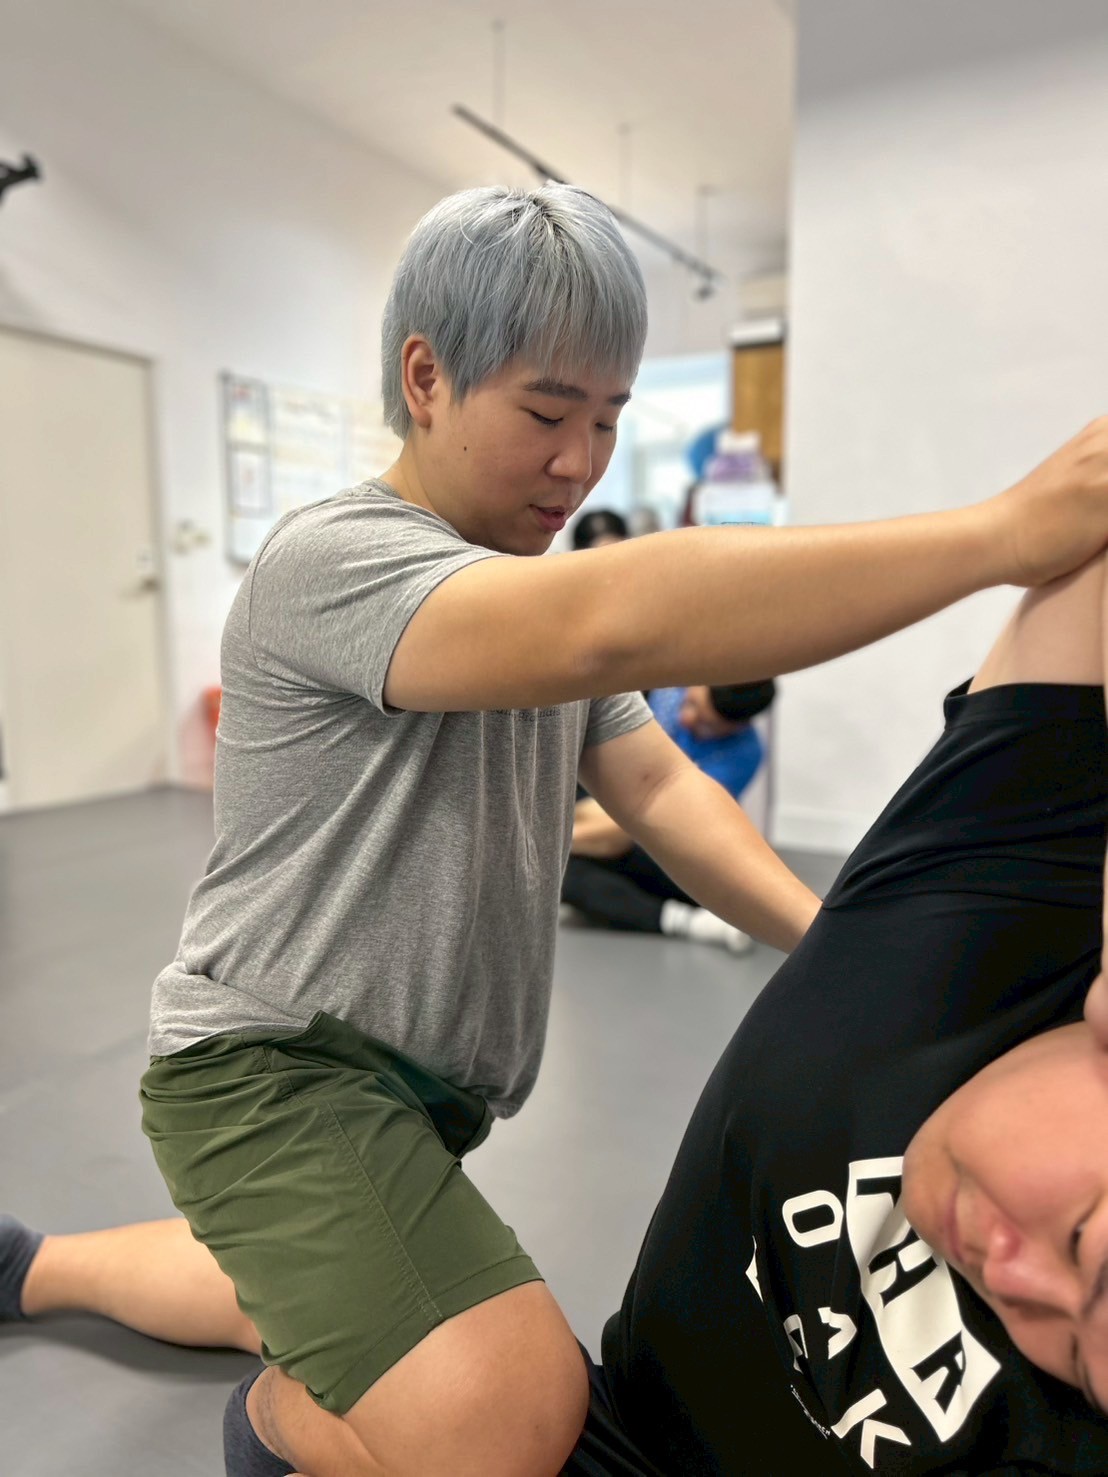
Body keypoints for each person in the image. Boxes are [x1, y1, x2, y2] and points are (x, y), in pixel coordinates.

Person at [8, 174, 1108, 1477]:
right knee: (511, 1409)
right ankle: (269, 1430)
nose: (580, 462)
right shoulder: (336, 562)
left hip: (418, 1091)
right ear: (426, 378)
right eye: (545, 413)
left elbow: (664, 792)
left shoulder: (527, 597)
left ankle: (28, 1267)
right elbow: (607, 624)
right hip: (274, 1072)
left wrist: (841, 946)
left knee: (321, 1285)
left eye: (608, 419)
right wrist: (999, 536)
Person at [564, 680, 776, 947]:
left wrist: (558, 843)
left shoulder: (744, 753)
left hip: (662, 837)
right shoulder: (667, 692)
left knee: (566, 872)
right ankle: (681, 918)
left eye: (707, 725)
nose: (686, 719)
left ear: (738, 727)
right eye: (690, 703)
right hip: (616, 804)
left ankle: (682, 920)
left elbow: (642, 822)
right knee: (566, 869)